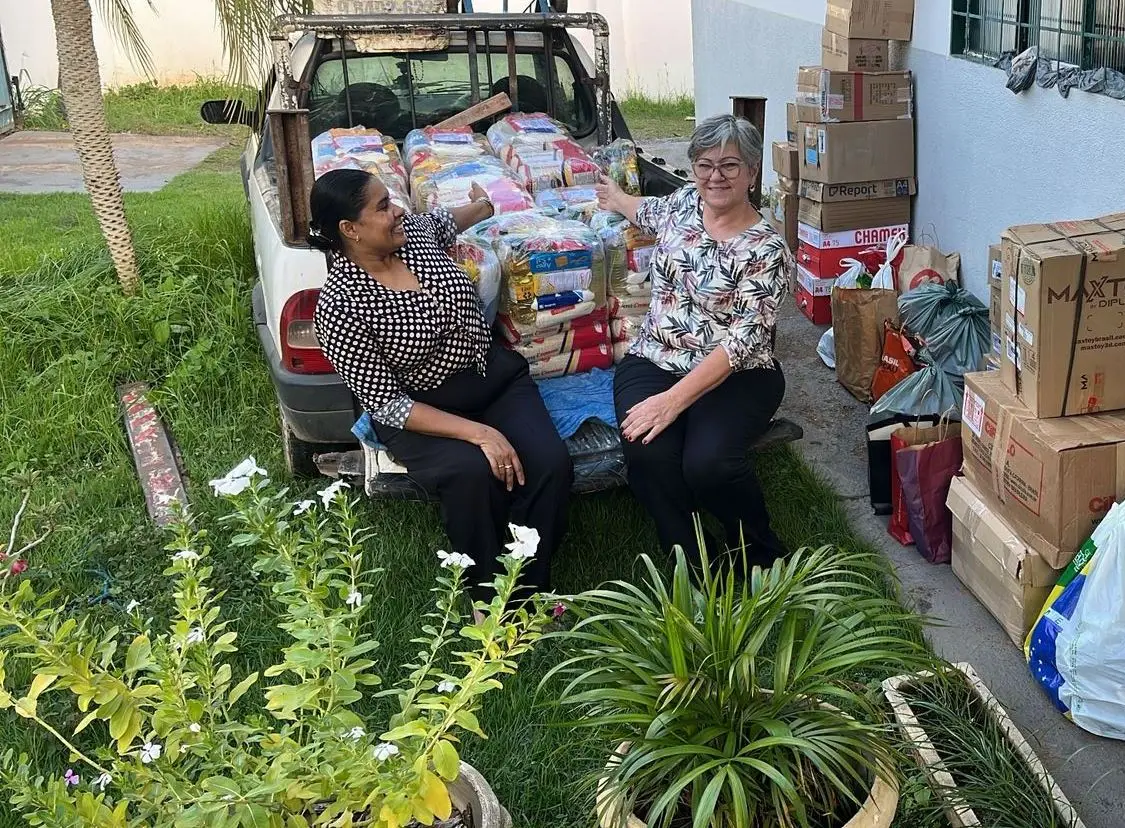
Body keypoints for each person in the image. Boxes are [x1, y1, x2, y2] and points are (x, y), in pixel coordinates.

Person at [310, 168, 573, 600]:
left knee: (549, 463)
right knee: (471, 475)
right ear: (350, 230)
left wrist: (484, 205)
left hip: (492, 378)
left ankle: (528, 582)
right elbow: (388, 404)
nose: (397, 212)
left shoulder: (412, 233)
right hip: (422, 409)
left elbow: (447, 221)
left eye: (392, 202)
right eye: (382, 207)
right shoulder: (340, 306)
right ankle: (486, 594)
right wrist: (482, 434)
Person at [595, 115, 790, 571]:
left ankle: (761, 553)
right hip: (656, 357)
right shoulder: (683, 204)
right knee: (648, 451)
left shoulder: (766, 250)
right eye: (704, 164)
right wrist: (616, 196)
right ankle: (694, 562)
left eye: (729, 165)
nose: (714, 177)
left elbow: (743, 342)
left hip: (739, 374)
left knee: (709, 464)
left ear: (753, 171)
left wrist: (673, 402)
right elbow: (644, 211)